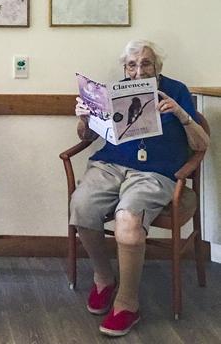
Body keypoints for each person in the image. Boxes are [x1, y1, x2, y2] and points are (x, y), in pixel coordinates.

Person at [71, 40, 209, 337]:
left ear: (157, 67)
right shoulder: (115, 91)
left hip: (154, 171)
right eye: (131, 65)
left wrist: (182, 115)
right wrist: (84, 118)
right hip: (111, 165)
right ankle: (104, 278)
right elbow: (86, 135)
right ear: (125, 68)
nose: (137, 71)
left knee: (128, 221)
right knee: (81, 206)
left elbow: (202, 145)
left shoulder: (177, 90)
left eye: (145, 63)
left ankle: (127, 302)